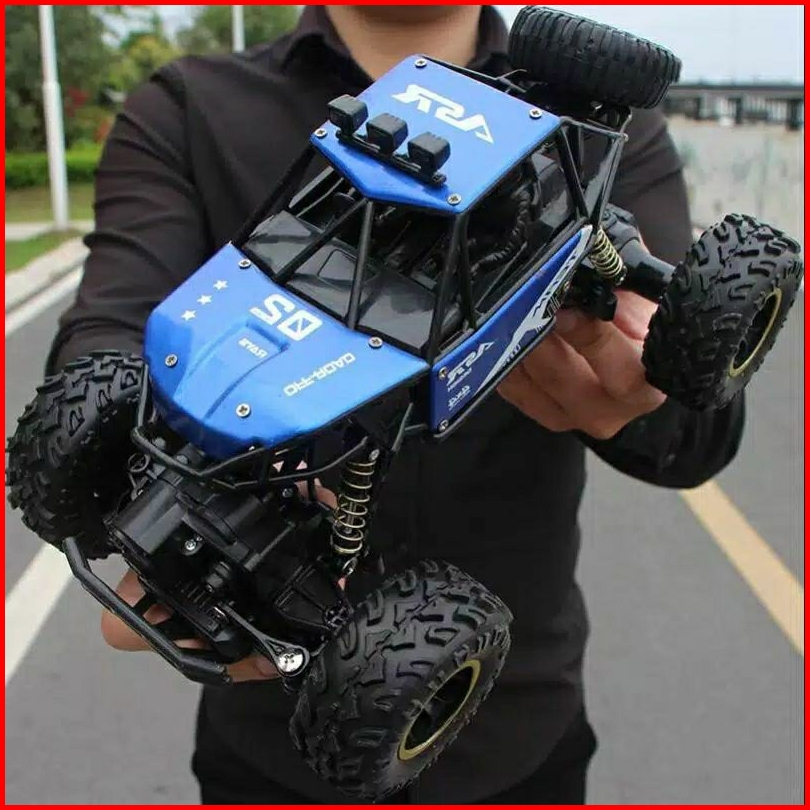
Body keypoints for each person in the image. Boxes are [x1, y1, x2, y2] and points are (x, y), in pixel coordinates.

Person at [46, 5, 745, 805]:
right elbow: (108, 330)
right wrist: (130, 462)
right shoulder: (187, 105)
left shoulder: (598, 131)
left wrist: (653, 379)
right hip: (266, 751)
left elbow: (697, 431)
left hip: (513, 734)